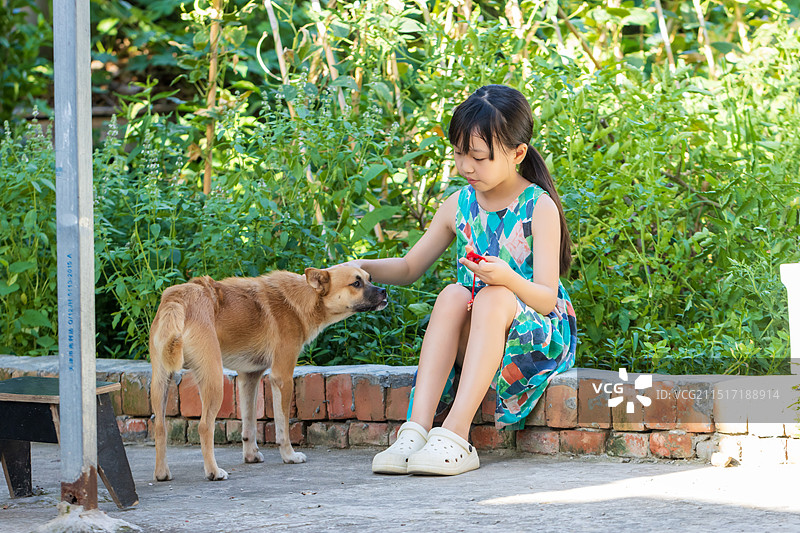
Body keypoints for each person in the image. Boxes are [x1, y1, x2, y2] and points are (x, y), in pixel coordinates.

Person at [350, 84, 577, 476]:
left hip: (535, 335)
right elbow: (408, 267)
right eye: (458, 154)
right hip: (479, 332)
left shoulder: (538, 207)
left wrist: (506, 277)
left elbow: (544, 299)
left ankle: (456, 434)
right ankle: (417, 431)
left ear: (517, 153)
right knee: (453, 294)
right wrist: (357, 267)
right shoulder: (460, 203)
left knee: (492, 296)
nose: (466, 167)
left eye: (479, 157)